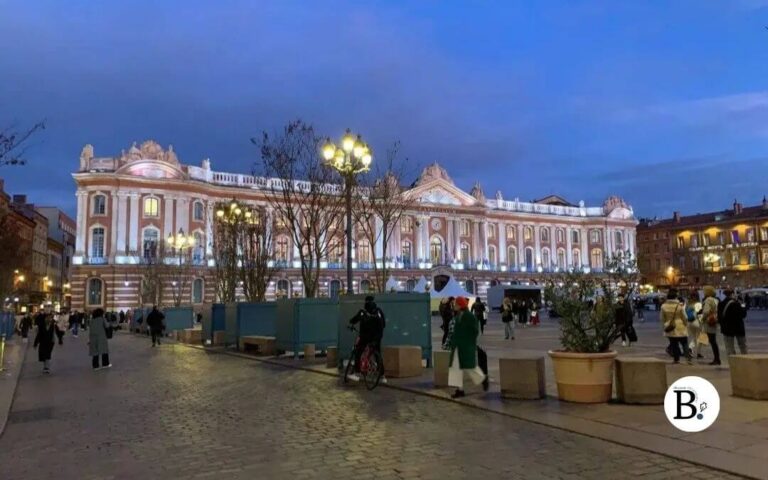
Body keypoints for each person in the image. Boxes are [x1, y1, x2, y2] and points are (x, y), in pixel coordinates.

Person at [445, 296, 486, 398]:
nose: (454, 306)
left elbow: (474, 331)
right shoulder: (459, 315)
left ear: (460, 305)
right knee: (455, 367)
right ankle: (460, 389)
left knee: (469, 367)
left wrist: (468, 341)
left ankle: (482, 379)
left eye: (456, 304)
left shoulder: (469, 316)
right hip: (458, 347)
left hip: (465, 346)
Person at [347, 295, 386, 382]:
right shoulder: (379, 311)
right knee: (377, 355)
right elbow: (383, 324)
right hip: (376, 337)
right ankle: (382, 376)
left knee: (358, 352)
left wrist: (351, 322)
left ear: (366, 302)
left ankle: (357, 373)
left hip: (365, 336)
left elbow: (354, 319)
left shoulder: (363, 312)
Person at [661, 289, 690, 364]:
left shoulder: (663, 306)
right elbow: (685, 317)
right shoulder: (679, 305)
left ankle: (676, 359)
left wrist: (665, 325)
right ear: (676, 297)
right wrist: (685, 324)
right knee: (684, 343)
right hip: (680, 326)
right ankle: (687, 359)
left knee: (674, 344)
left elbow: (662, 318)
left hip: (670, 326)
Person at [719, 289, 747, 356]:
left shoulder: (721, 304)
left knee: (729, 347)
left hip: (727, 328)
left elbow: (719, 318)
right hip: (739, 328)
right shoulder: (737, 304)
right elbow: (744, 314)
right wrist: (743, 305)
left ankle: (732, 363)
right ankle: (745, 361)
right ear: (732, 294)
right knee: (742, 346)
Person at [701, 286, 721, 365]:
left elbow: (706, 311)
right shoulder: (715, 299)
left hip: (709, 322)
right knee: (713, 341)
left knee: (712, 341)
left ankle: (717, 359)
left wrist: (703, 318)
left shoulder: (708, 300)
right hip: (714, 320)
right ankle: (717, 358)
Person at [685, 292, 703, 360]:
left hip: (689, 323)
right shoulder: (698, 304)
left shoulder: (688, 304)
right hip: (696, 322)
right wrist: (702, 323)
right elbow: (700, 315)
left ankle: (694, 350)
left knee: (694, 337)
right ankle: (696, 351)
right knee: (698, 338)